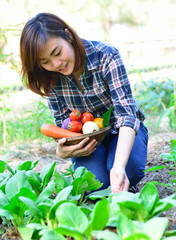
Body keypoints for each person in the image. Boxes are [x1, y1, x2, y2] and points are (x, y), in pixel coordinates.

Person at [20, 12, 148, 193]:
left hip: (122, 131)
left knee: (127, 170)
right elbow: (63, 125)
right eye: (45, 61)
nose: (56, 64)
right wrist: (62, 151)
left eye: (57, 52)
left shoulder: (105, 56)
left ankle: (118, 165)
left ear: (68, 36)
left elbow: (126, 115)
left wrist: (118, 165)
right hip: (87, 142)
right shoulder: (49, 77)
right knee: (94, 185)